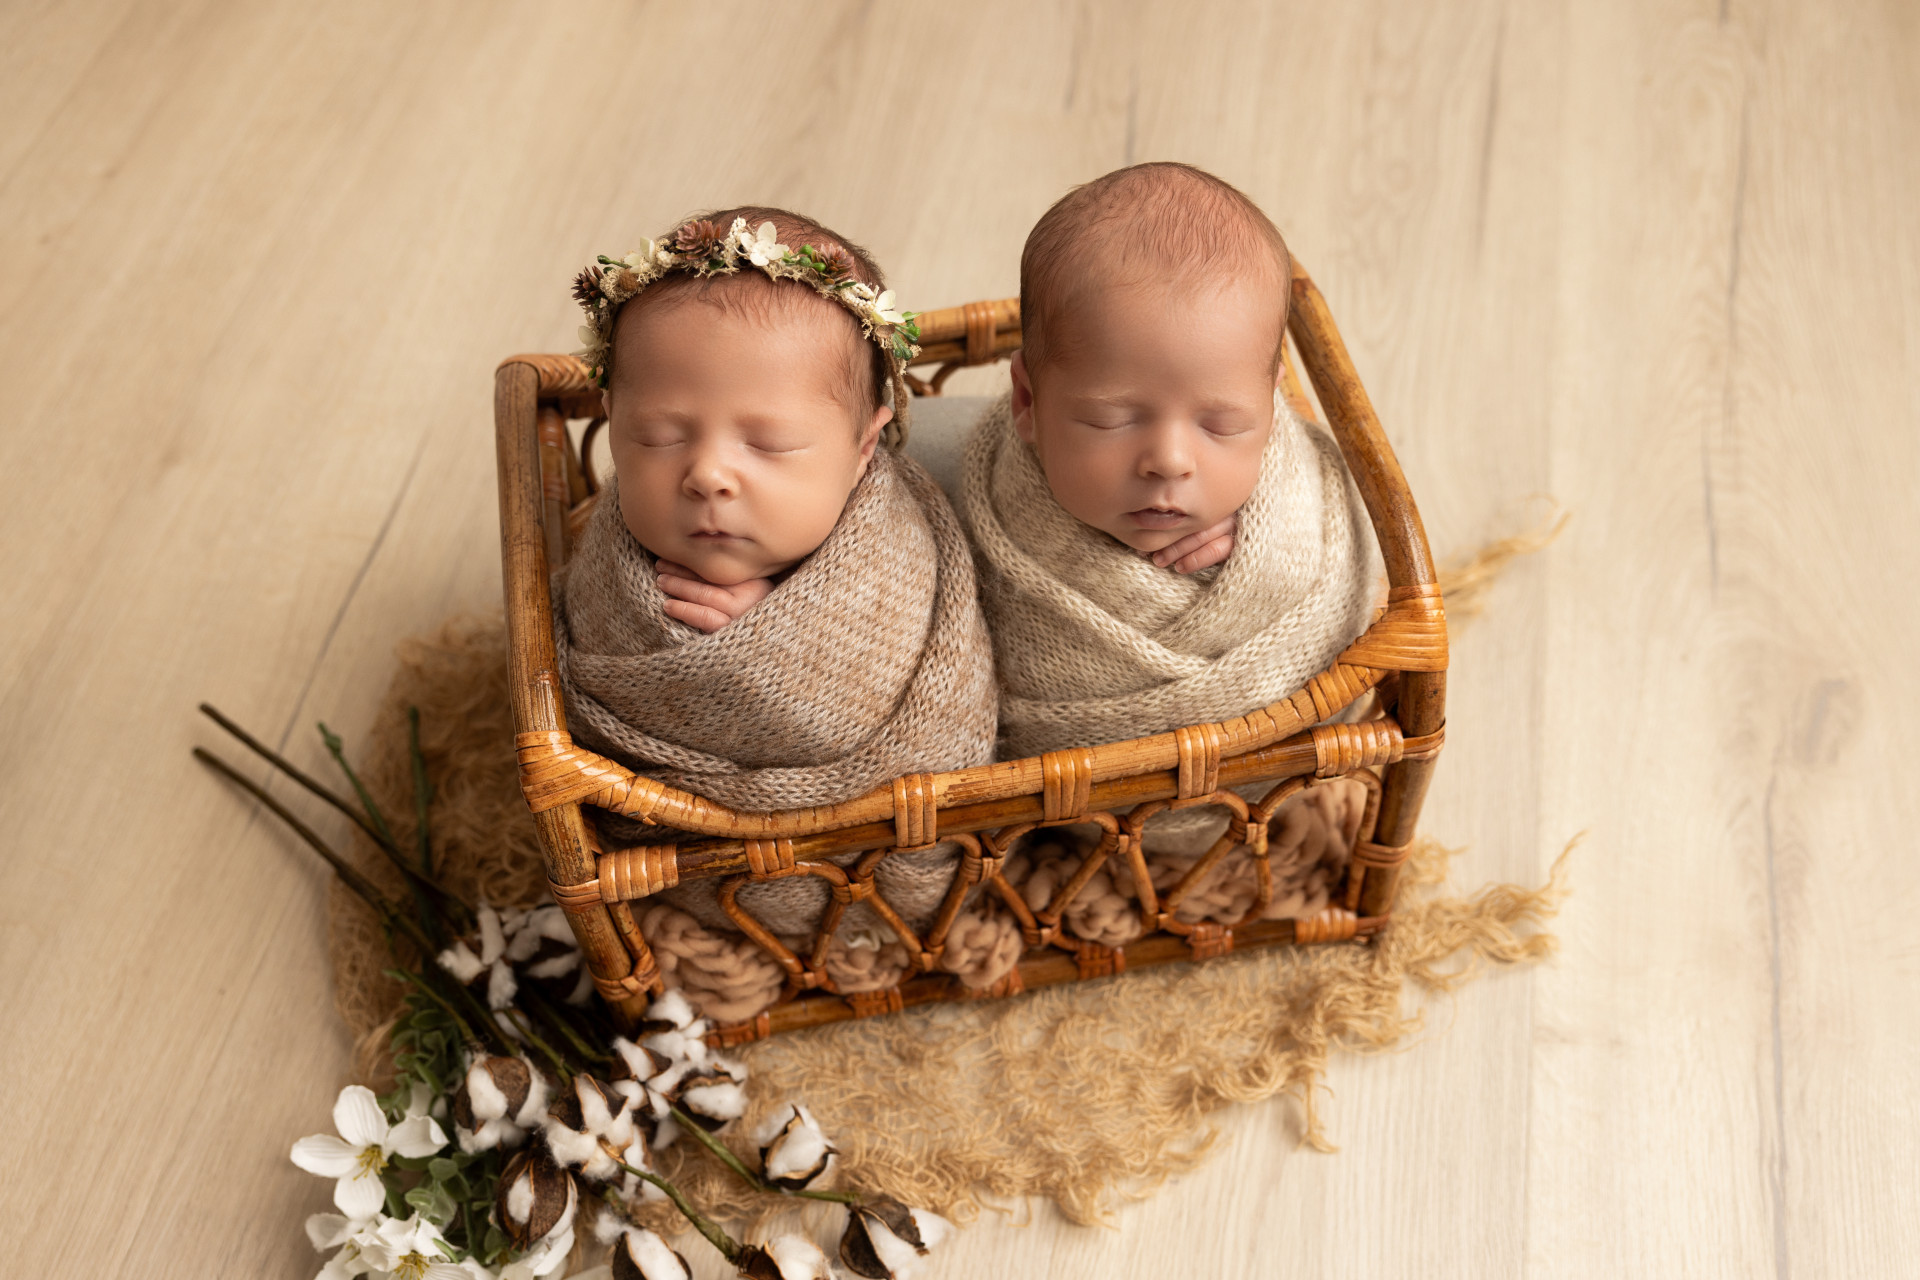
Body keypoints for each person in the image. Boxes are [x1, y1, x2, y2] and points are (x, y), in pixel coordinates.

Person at [553, 209, 1007, 1019]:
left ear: (866, 447)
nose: (708, 476)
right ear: (612, 425)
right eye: (659, 436)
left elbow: (935, 714)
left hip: (870, 836)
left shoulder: (896, 554)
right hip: (699, 861)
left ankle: (856, 928)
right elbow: (588, 708)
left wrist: (778, 644)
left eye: (768, 445)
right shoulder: (610, 573)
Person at [960, 164, 1380, 952]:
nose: (1169, 462)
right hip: (1073, 820)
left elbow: (1355, 584)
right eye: (1114, 420)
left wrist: (1247, 561)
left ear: (1276, 399)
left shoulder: (1298, 508)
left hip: (1257, 805)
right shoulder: (982, 521)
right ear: (1026, 402)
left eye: (1222, 424)